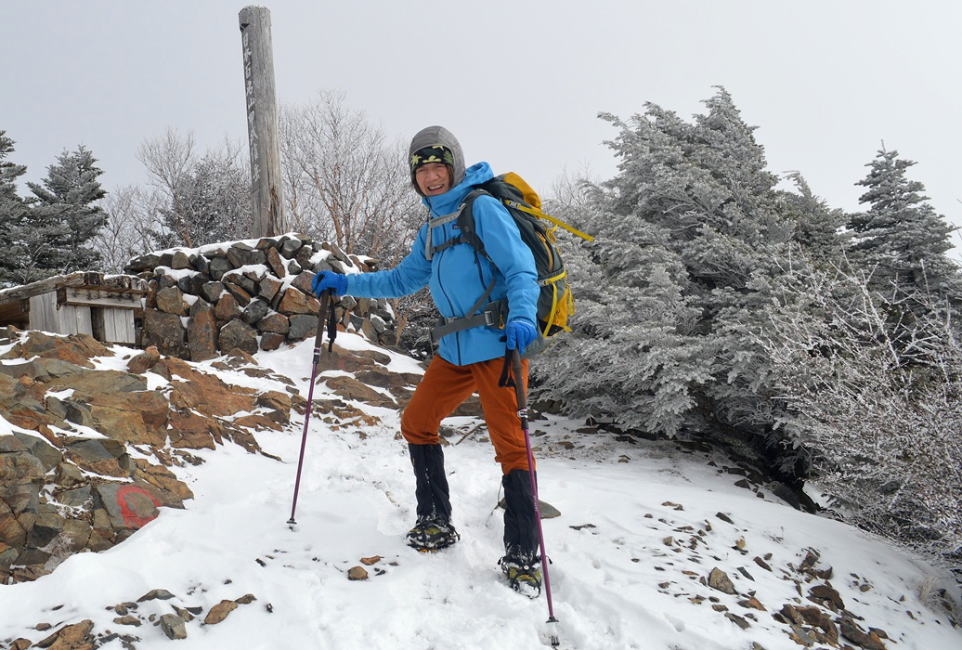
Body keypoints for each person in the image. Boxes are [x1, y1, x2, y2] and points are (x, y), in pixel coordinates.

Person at [311, 125, 543, 594]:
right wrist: (345, 284)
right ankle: (435, 518)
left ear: (454, 166)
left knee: (512, 448)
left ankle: (522, 552)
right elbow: (399, 282)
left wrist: (522, 316)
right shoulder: (432, 228)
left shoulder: (482, 209)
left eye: (438, 168)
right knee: (417, 421)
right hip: (455, 353)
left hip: (499, 347)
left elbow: (521, 268)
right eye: (422, 171)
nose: (431, 178)